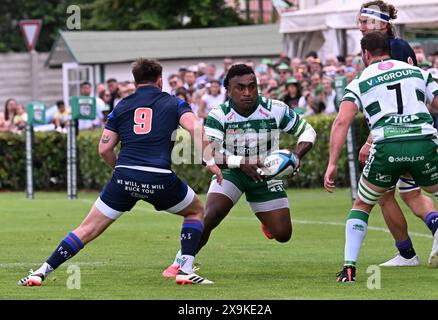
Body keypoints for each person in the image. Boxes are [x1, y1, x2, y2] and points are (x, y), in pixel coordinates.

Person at [18, 58, 223, 287]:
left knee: (86, 229)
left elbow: (104, 149)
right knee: (195, 211)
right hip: (158, 177)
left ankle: (41, 271)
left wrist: (121, 171)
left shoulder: (122, 105)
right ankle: (184, 269)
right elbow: (195, 127)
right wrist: (209, 160)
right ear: (160, 80)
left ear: (135, 82)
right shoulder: (173, 103)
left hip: (124, 177)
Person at [162, 64, 317, 277]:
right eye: (240, 88)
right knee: (211, 214)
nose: (248, 93)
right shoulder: (220, 114)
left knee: (283, 234)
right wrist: (241, 162)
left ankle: (268, 223)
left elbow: (307, 131)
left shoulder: (276, 108)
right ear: (229, 90)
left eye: (252, 87)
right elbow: (209, 153)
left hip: (265, 174)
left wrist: (297, 155)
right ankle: (180, 261)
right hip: (231, 171)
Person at [325, 32, 438, 282]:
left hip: (385, 148)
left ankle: (349, 268)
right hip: (423, 143)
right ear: (389, 51)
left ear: (365, 54)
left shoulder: (360, 80)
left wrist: (331, 164)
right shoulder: (418, 72)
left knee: (362, 205)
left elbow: (342, 122)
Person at [357, 0, 438, 267]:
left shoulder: (385, 53)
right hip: (418, 131)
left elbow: (392, 101)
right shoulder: (400, 47)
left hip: (395, 135)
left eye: (364, 20)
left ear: (381, 23)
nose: (359, 25)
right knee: (411, 193)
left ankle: (407, 253)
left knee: (383, 195)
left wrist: (369, 140)